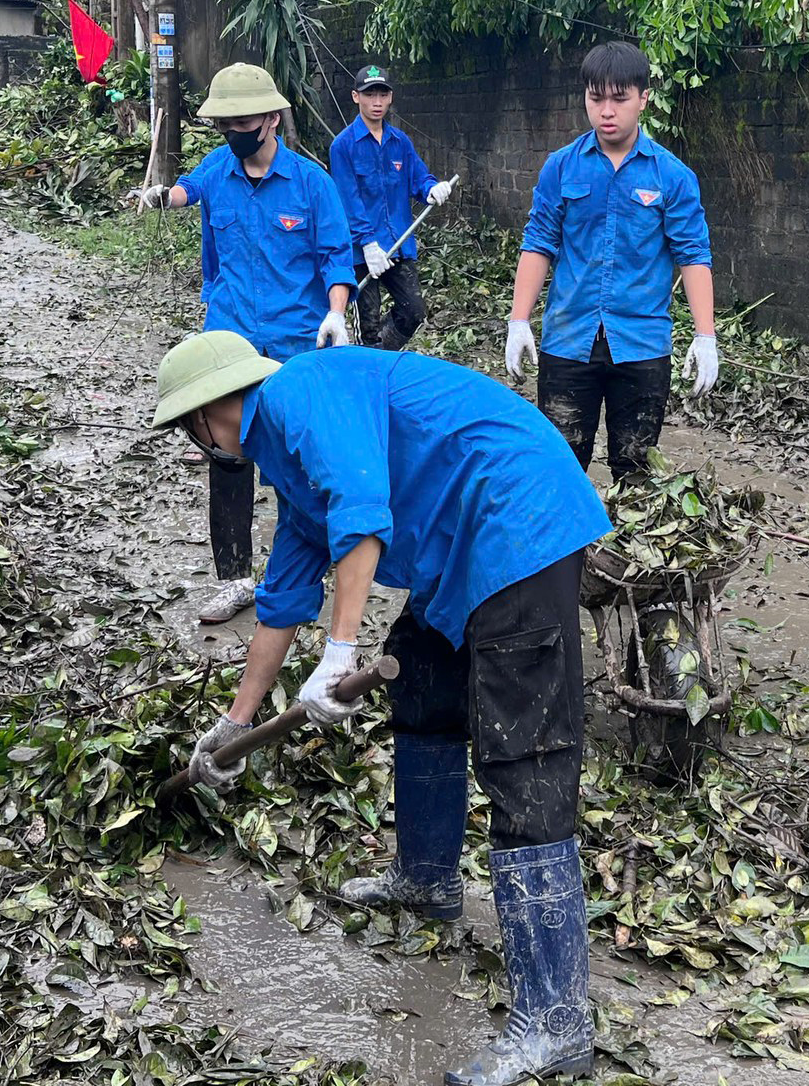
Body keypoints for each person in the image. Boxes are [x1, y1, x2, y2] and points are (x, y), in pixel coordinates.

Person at [151, 332, 611, 1086]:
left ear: (211, 412)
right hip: (458, 549)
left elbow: (363, 515)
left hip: (518, 518)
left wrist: (339, 653)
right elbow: (281, 601)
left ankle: (557, 1022)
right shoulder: (287, 464)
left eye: (187, 429)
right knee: (424, 683)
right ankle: (427, 880)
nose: (193, 445)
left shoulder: (301, 394)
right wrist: (236, 722)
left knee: (521, 756)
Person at [126, 63, 357, 625]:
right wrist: (161, 196)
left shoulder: (311, 183)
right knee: (226, 457)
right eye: (224, 123)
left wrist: (335, 312)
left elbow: (335, 256)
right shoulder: (218, 168)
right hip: (227, 341)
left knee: (290, 459)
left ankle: (299, 571)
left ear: (272, 119)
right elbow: (189, 190)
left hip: (292, 344)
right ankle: (234, 579)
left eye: (243, 121)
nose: (233, 131)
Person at [506, 41, 719, 479]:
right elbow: (539, 242)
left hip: (641, 346)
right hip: (568, 341)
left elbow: (693, 255)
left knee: (635, 472)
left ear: (643, 98)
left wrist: (705, 336)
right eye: (595, 98)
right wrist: (519, 320)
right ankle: (568, 551)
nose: (606, 111)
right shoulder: (561, 168)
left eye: (619, 99)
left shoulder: (672, 177)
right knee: (560, 471)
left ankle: (622, 549)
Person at [328, 63, 454, 350]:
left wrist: (432, 188)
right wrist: (368, 244)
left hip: (399, 242)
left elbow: (418, 177)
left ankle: (377, 359)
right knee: (368, 323)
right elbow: (349, 200)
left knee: (414, 312)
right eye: (369, 95)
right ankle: (368, 365)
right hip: (363, 252)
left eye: (382, 95)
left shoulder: (400, 142)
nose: (377, 102)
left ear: (391, 97)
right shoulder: (343, 146)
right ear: (355, 97)